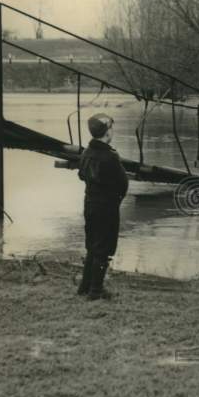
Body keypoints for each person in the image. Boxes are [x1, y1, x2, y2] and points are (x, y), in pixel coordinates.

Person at [76, 113, 129, 300]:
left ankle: (84, 286)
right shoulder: (111, 156)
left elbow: (81, 175)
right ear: (107, 133)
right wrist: (117, 199)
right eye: (111, 128)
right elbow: (123, 182)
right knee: (104, 247)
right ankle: (96, 291)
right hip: (107, 206)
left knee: (92, 245)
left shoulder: (86, 152)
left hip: (89, 203)